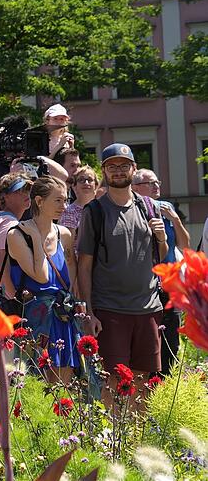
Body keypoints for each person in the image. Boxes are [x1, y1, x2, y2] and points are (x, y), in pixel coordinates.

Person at [77, 144, 168, 405]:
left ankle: (137, 444)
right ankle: (113, 444)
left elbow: (158, 258)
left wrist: (161, 239)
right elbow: (84, 265)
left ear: (134, 168)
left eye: (124, 165)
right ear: (104, 171)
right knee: (113, 381)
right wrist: (89, 312)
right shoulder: (94, 212)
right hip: (110, 310)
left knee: (143, 382)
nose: (118, 171)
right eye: (112, 166)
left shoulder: (149, 207)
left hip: (148, 308)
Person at [2, 176, 80, 384]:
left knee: (64, 381)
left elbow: (72, 273)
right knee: (39, 382)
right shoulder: (17, 235)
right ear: (39, 201)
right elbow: (42, 276)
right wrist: (37, 239)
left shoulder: (64, 234)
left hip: (63, 313)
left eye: (65, 200)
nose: (64, 206)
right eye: (58, 201)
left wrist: (77, 304)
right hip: (35, 318)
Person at [132, 168, 190, 376]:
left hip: (169, 286)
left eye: (157, 182)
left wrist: (175, 219)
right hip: (145, 287)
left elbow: (185, 245)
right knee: (148, 343)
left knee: (171, 342)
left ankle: (167, 384)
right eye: (150, 183)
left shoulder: (166, 208)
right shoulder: (134, 211)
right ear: (136, 188)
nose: (156, 186)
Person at [0, 174, 32, 275]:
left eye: (28, 189)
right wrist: (11, 291)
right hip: (4, 289)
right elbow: (3, 267)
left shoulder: (0, 218)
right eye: (19, 190)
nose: (26, 193)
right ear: (5, 197)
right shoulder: (8, 223)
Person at [59, 166, 97, 243]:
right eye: (81, 180)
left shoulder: (102, 208)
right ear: (74, 186)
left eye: (89, 180)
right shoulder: (69, 212)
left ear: (96, 186)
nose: (86, 183)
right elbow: (68, 245)